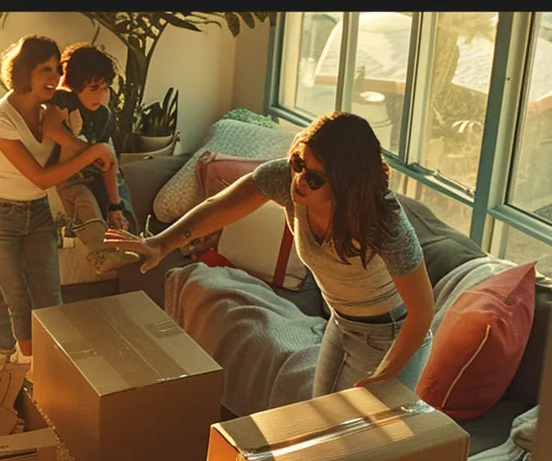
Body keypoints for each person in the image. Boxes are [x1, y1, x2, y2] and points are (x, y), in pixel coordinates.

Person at [105, 111, 435, 396]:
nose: (299, 179)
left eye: (315, 177)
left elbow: (422, 313)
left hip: (390, 333)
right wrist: (161, 243)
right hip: (341, 322)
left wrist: (385, 375)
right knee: (320, 418)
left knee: (351, 441)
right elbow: (219, 207)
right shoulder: (285, 180)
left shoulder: (384, 223)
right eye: (298, 162)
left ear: (346, 183)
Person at [0, 34, 117, 369]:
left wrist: (95, 155)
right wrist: (93, 154)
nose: (54, 78)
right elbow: (39, 177)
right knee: (18, 297)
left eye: (57, 69)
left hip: (37, 212)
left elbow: (76, 146)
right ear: (25, 71)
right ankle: (30, 365)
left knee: (48, 295)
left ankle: (17, 351)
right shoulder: (0, 121)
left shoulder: (54, 109)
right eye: (45, 70)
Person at [42, 42, 139, 276]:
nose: (102, 96)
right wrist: (87, 152)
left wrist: (115, 205)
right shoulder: (66, 101)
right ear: (71, 86)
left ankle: (127, 244)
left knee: (119, 208)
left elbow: (107, 160)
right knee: (84, 203)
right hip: (69, 177)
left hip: (95, 175)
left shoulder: (104, 116)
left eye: (105, 88)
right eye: (94, 88)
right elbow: (50, 127)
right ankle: (99, 254)